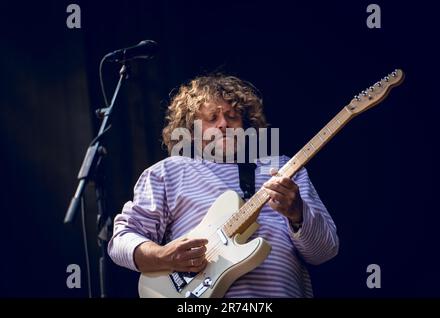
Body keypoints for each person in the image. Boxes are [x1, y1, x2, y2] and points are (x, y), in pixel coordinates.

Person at [107, 74, 339, 297]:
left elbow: (325, 251)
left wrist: (298, 214)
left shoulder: (282, 169)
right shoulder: (168, 172)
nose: (223, 125)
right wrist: (162, 256)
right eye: (211, 118)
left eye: (232, 116)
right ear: (190, 130)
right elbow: (122, 239)